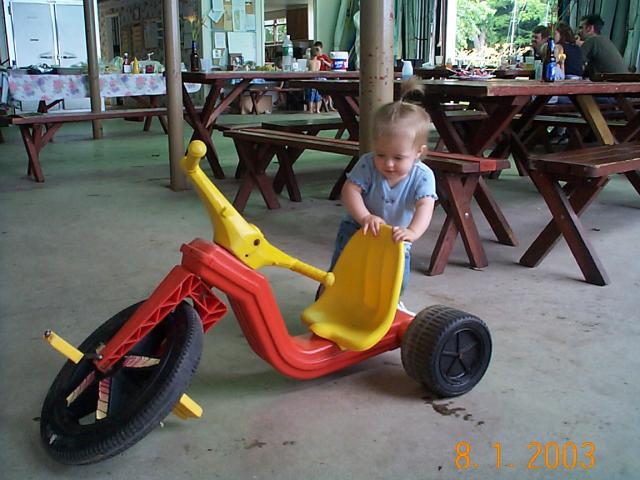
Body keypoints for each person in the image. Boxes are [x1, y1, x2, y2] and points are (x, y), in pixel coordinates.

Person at [327, 79, 437, 300]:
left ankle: (390, 304)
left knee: (396, 277)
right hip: (358, 227)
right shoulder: (368, 164)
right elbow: (350, 190)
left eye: (398, 157)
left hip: (397, 235)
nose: (388, 163)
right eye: (381, 154)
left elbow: (426, 206)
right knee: (344, 267)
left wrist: (412, 232)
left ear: (418, 152)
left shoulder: (423, 175)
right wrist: (365, 217)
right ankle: (332, 296)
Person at [577, 14, 628, 78]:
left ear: (589, 28)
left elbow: (575, 63)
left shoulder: (592, 41)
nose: (578, 32)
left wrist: (574, 46)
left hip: (612, 82)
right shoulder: (604, 40)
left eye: (581, 28)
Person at [312, 41, 336, 111]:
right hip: (315, 76)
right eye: (315, 49)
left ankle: (330, 105)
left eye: (318, 49)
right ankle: (316, 106)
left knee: (328, 89)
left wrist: (324, 61)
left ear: (321, 49)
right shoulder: (314, 57)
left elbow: (331, 65)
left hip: (323, 76)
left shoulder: (324, 57)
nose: (316, 51)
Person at [304, 46, 323, 113]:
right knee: (317, 95)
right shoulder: (319, 62)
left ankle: (310, 109)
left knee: (310, 95)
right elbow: (318, 69)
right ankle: (317, 110)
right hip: (317, 78)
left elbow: (307, 69)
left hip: (311, 78)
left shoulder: (309, 62)